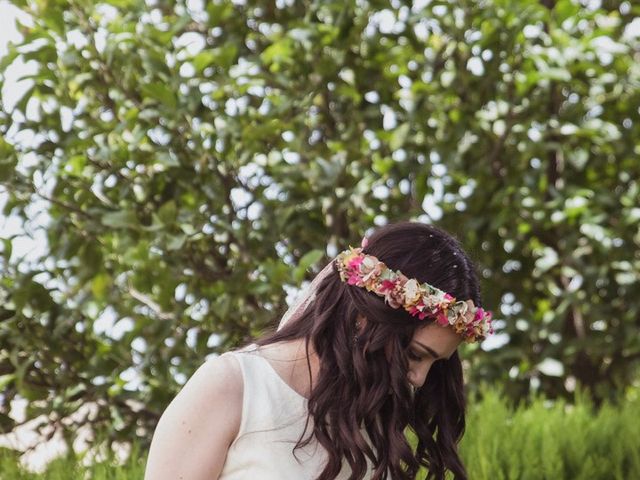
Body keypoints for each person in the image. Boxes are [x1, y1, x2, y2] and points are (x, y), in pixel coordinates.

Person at [144, 221, 493, 480]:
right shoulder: (234, 387)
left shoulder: (375, 422)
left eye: (436, 362)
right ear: (364, 318)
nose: (419, 377)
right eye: (417, 355)